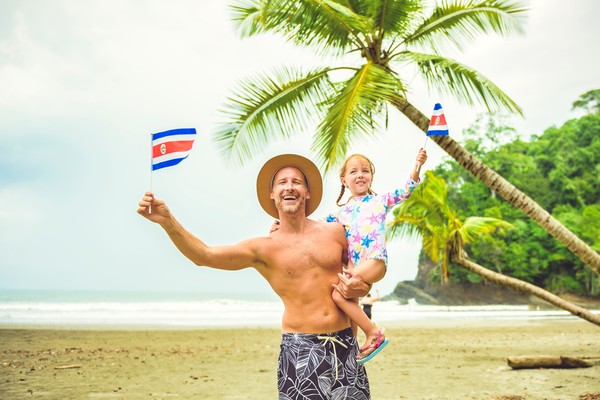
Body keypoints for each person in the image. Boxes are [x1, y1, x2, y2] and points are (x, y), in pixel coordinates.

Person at [137, 154, 372, 400]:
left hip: (345, 346)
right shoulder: (263, 248)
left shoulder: (335, 232)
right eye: (282, 182)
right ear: (272, 194)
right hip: (300, 349)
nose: (289, 187)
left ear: (308, 192)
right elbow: (204, 255)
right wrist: (167, 221)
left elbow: (362, 276)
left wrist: (362, 287)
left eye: (296, 182)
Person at [272, 149, 427, 365]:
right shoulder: (340, 213)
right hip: (354, 265)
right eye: (353, 172)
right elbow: (311, 223)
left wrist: (417, 164)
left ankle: (373, 332)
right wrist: (282, 226)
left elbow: (406, 189)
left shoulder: (380, 201)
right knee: (348, 301)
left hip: (374, 260)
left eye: (365, 170)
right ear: (344, 180)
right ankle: (351, 347)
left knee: (337, 295)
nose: (360, 175)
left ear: (371, 176)